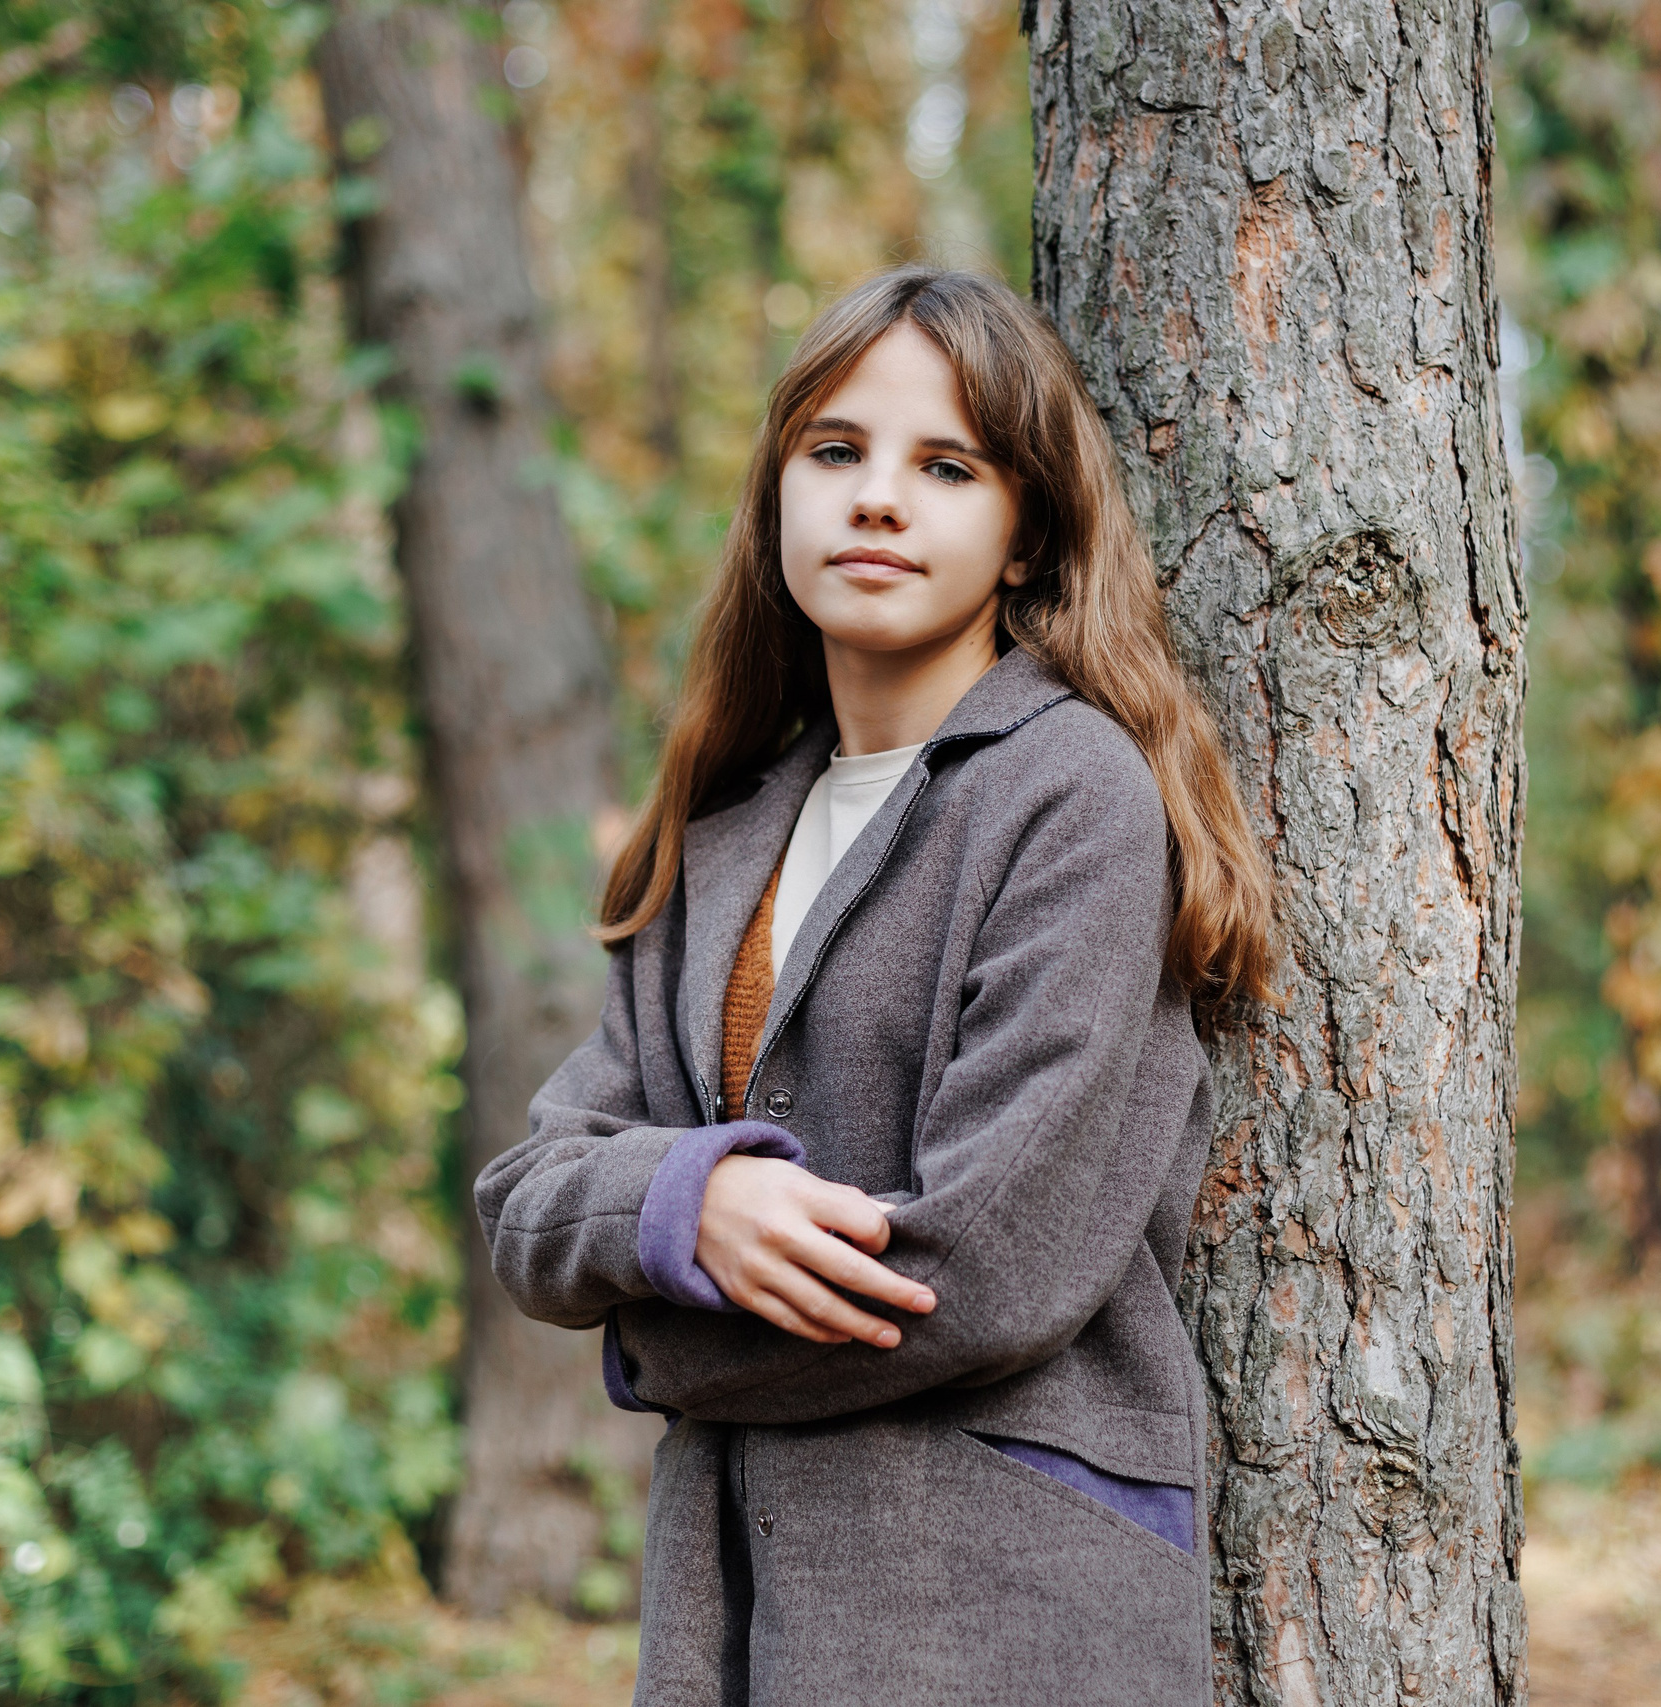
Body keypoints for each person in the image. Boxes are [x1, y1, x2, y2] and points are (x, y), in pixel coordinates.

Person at [474, 266, 1272, 1706]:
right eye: (835, 451)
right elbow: (528, 1197)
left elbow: (982, 1270)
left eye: (946, 465)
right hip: (738, 1619)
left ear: (1026, 535)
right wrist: (683, 1206)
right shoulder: (718, 837)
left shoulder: (1069, 795)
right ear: (778, 491)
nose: (879, 497)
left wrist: (650, 1330)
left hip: (995, 1609)